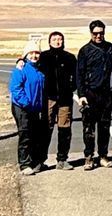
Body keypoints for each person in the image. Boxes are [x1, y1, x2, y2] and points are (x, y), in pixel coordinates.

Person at [74, 20, 112, 167]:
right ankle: (89, 156)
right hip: (90, 94)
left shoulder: (110, 49)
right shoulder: (85, 51)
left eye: (101, 33)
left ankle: (103, 156)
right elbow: (79, 74)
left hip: (107, 95)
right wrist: (81, 95)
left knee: (104, 126)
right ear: (91, 33)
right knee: (88, 127)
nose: (98, 36)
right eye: (95, 33)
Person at [36, 29, 77, 169]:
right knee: (45, 129)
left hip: (65, 99)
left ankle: (62, 159)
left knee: (64, 129)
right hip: (48, 98)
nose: (57, 41)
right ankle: (40, 160)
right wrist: (19, 61)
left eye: (60, 39)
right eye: (54, 39)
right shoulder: (43, 57)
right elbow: (30, 62)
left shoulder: (70, 58)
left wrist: (71, 87)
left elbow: (76, 76)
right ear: (49, 42)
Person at [7, 45, 48, 173]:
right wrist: (26, 103)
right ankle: (24, 164)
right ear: (25, 55)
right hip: (22, 108)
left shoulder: (40, 70)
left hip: (35, 108)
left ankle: (35, 162)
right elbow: (16, 89)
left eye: (37, 53)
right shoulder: (21, 69)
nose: (34, 56)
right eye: (31, 53)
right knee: (25, 135)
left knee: (35, 135)